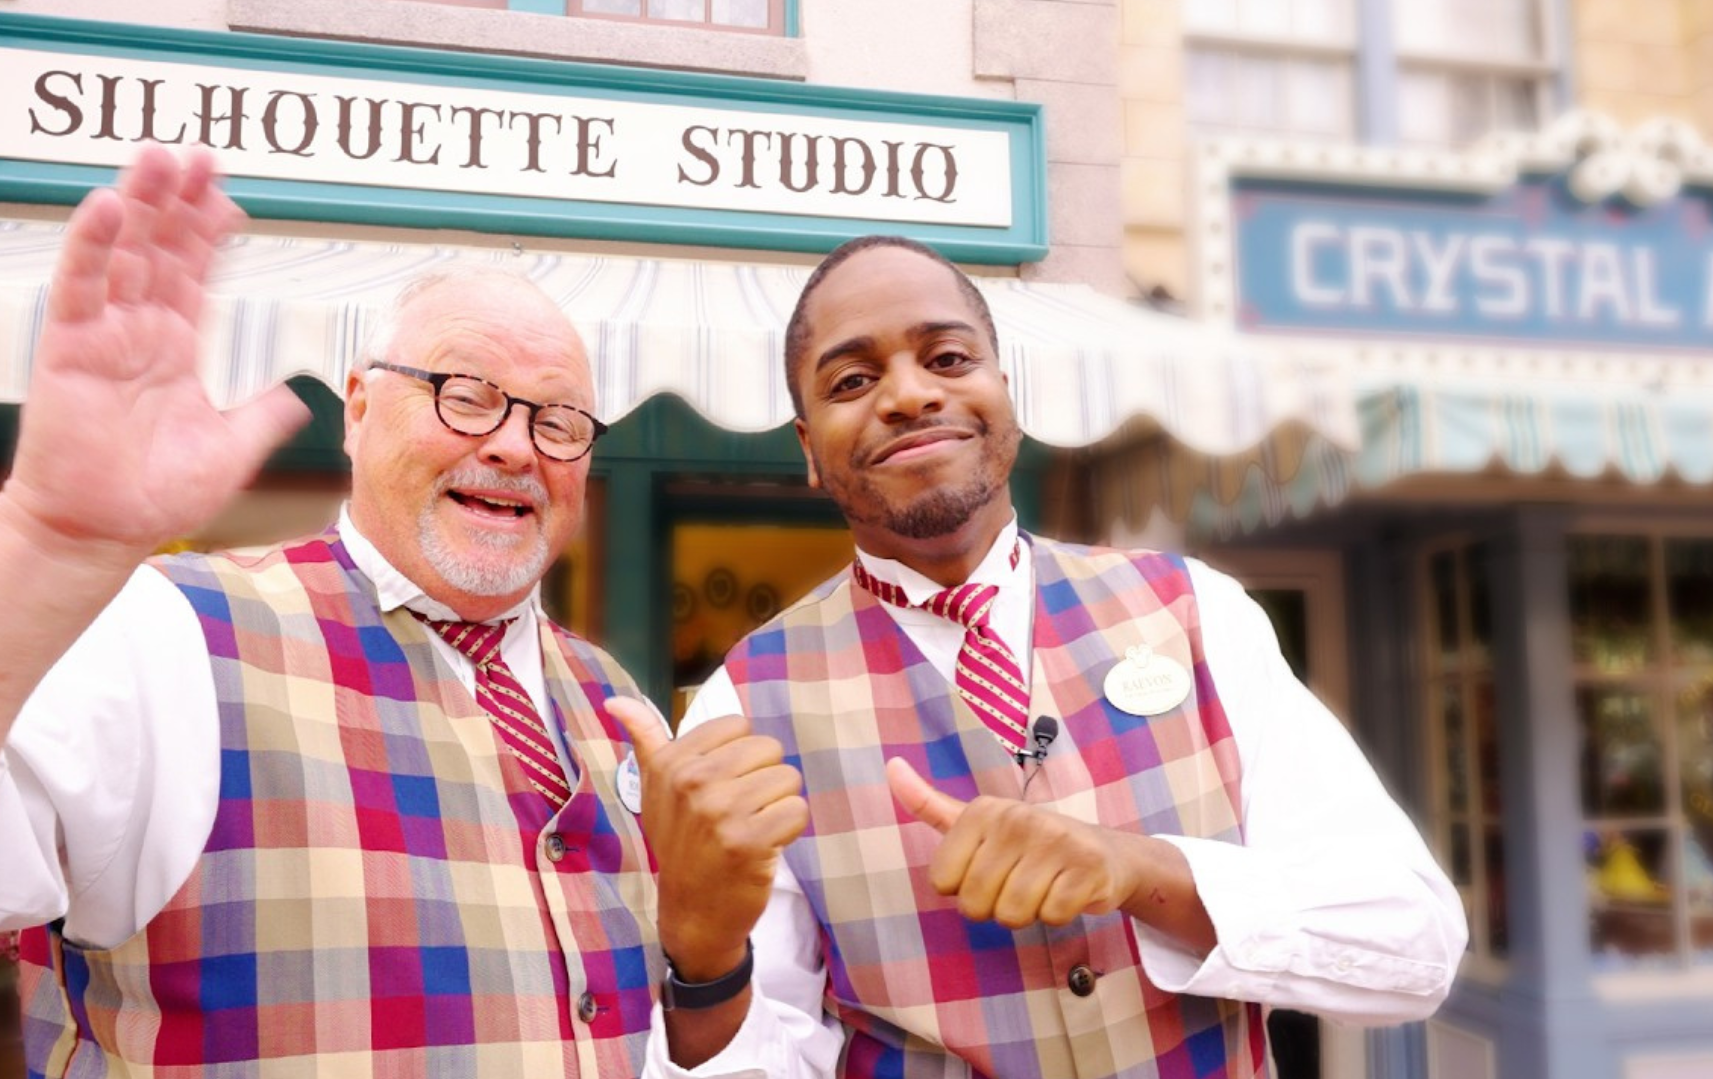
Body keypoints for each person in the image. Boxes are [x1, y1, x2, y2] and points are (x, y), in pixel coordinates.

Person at [0, 146, 679, 1077]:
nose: (512, 445)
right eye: (466, 397)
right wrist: (44, 537)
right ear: (359, 408)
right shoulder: (168, 638)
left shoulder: (615, 702)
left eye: (561, 423)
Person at [615, 235, 1468, 1079]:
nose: (909, 396)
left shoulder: (1196, 612)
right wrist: (704, 960)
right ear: (808, 447)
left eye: (948, 358)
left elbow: (1414, 945)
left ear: (1004, 395)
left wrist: (1141, 870)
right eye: (852, 380)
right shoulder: (748, 701)